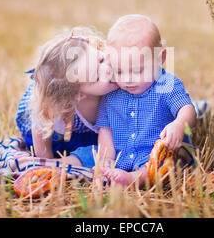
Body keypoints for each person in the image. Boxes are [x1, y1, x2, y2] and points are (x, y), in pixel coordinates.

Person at [72, 14, 199, 186]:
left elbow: (187, 109)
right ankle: (60, 169)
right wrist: (107, 158)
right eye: (119, 71)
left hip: (154, 153)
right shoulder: (112, 93)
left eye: (137, 71)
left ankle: (134, 179)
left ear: (160, 58)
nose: (127, 79)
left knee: (165, 166)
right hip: (120, 153)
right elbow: (105, 129)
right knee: (85, 154)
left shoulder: (166, 84)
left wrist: (179, 124)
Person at [15, 27, 118, 163]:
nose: (107, 69)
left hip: (94, 134)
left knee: (107, 150)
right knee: (90, 153)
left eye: (101, 59)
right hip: (56, 135)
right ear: (79, 95)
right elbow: (39, 127)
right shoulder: (58, 107)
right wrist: (46, 161)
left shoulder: (118, 82)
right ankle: (58, 163)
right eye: (97, 77)